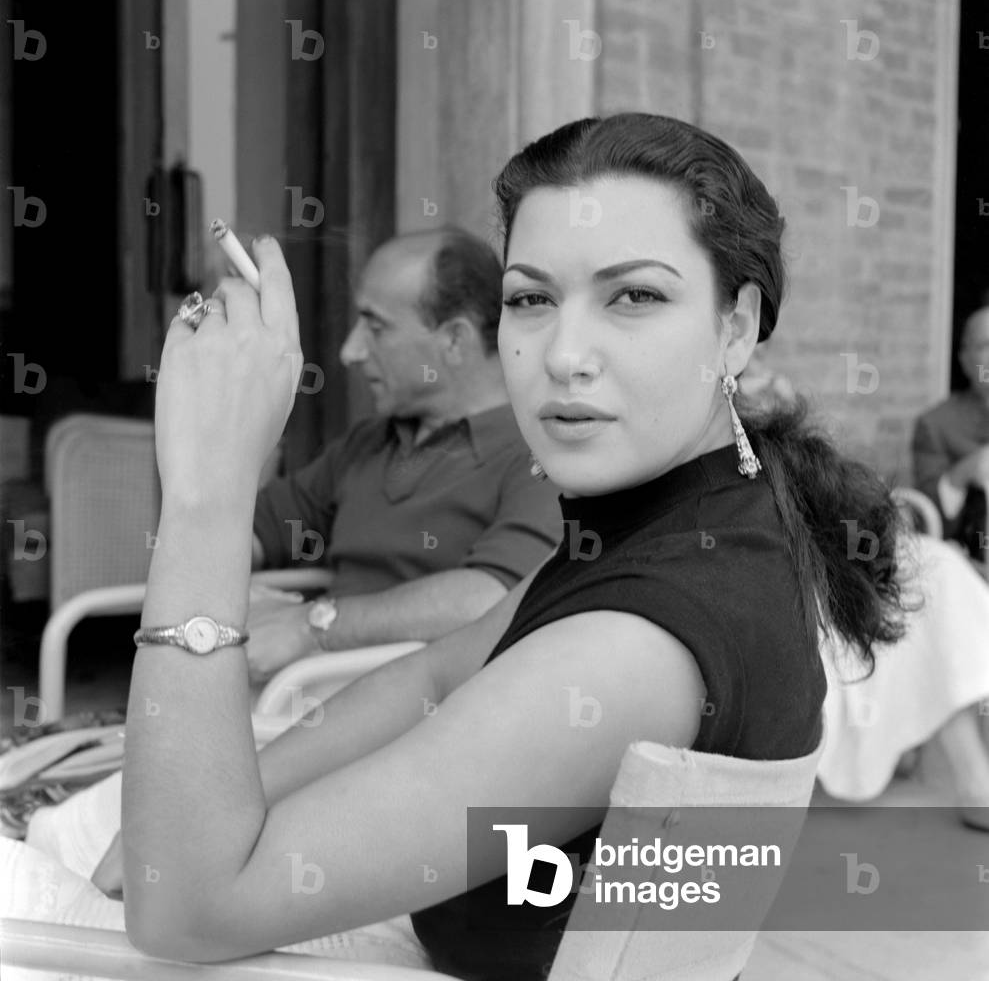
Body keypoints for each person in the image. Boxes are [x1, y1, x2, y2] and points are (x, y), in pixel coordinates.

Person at [117, 113, 910, 979]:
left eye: (634, 296)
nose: (564, 354)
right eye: (531, 298)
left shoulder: (632, 649)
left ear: (735, 326)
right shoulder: (684, 518)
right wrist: (228, 803)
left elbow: (186, 908)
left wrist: (206, 495)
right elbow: (431, 674)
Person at [245, 227, 563, 682]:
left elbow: (491, 596)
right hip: (294, 698)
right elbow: (257, 529)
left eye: (375, 327)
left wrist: (312, 625)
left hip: (420, 718)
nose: (349, 351)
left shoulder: (540, 452)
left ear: (454, 340)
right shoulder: (368, 443)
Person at [740, 351, 989, 831]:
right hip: (777, 554)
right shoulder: (699, 423)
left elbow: (841, 497)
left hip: (837, 547)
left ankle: (974, 774)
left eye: (763, 366)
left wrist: (794, 429)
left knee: (936, 574)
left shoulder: (785, 416)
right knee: (871, 596)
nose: (762, 377)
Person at [912, 302, 989, 559]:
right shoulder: (935, 424)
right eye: (985, 345)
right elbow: (925, 522)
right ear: (965, 359)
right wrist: (965, 472)